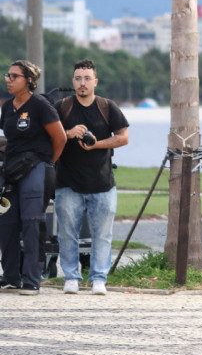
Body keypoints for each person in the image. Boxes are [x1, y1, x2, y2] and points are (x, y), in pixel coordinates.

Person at [54, 59, 130, 295]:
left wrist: (97, 144)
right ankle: (71, 277)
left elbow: (123, 137)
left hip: (103, 183)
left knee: (102, 234)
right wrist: (68, 133)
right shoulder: (62, 107)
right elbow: (48, 138)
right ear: (73, 81)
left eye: (87, 78)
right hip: (67, 183)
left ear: (95, 82)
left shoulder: (107, 107)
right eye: (78, 78)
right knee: (67, 233)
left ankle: (99, 278)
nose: (82, 83)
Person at [0, 60, 66, 295]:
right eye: (8, 75)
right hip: (12, 169)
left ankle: (31, 279)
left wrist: (48, 163)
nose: (8, 79)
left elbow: (60, 138)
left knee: (31, 222)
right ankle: (10, 277)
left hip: (37, 168)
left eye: (13, 76)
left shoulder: (40, 105)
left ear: (28, 80)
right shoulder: (7, 107)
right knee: (7, 224)